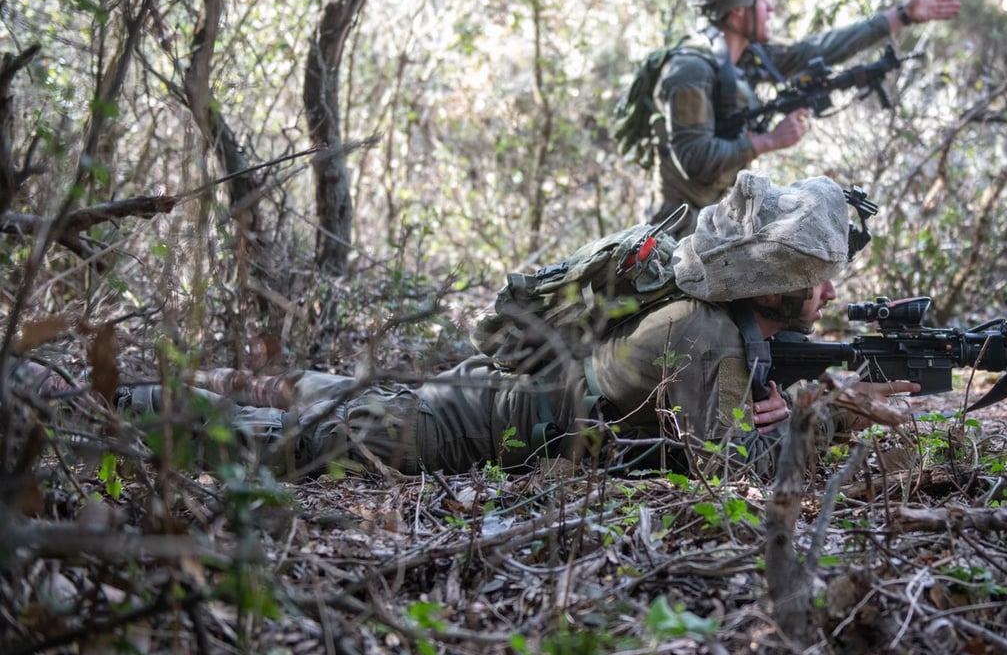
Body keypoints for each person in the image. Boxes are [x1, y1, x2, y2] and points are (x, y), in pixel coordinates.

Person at [27, 173, 917, 480]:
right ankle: (51, 411)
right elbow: (733, 478)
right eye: (818, 280)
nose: (829, 293)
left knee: (281, 390)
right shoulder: (705, 335)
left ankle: (67, 392)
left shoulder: (709, 318)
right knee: (261, 435)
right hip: (450, 431)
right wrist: (823, 417)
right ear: (776, 283)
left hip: (465, 395)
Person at [644, 0, 961, 234]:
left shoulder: (745, 57)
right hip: (677, 227)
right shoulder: (691, 69)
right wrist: (768, 141)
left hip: (714, 218)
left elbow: (816, 50)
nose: (770, 9)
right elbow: (694, 158)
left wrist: (901, 16)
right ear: (739, 8)